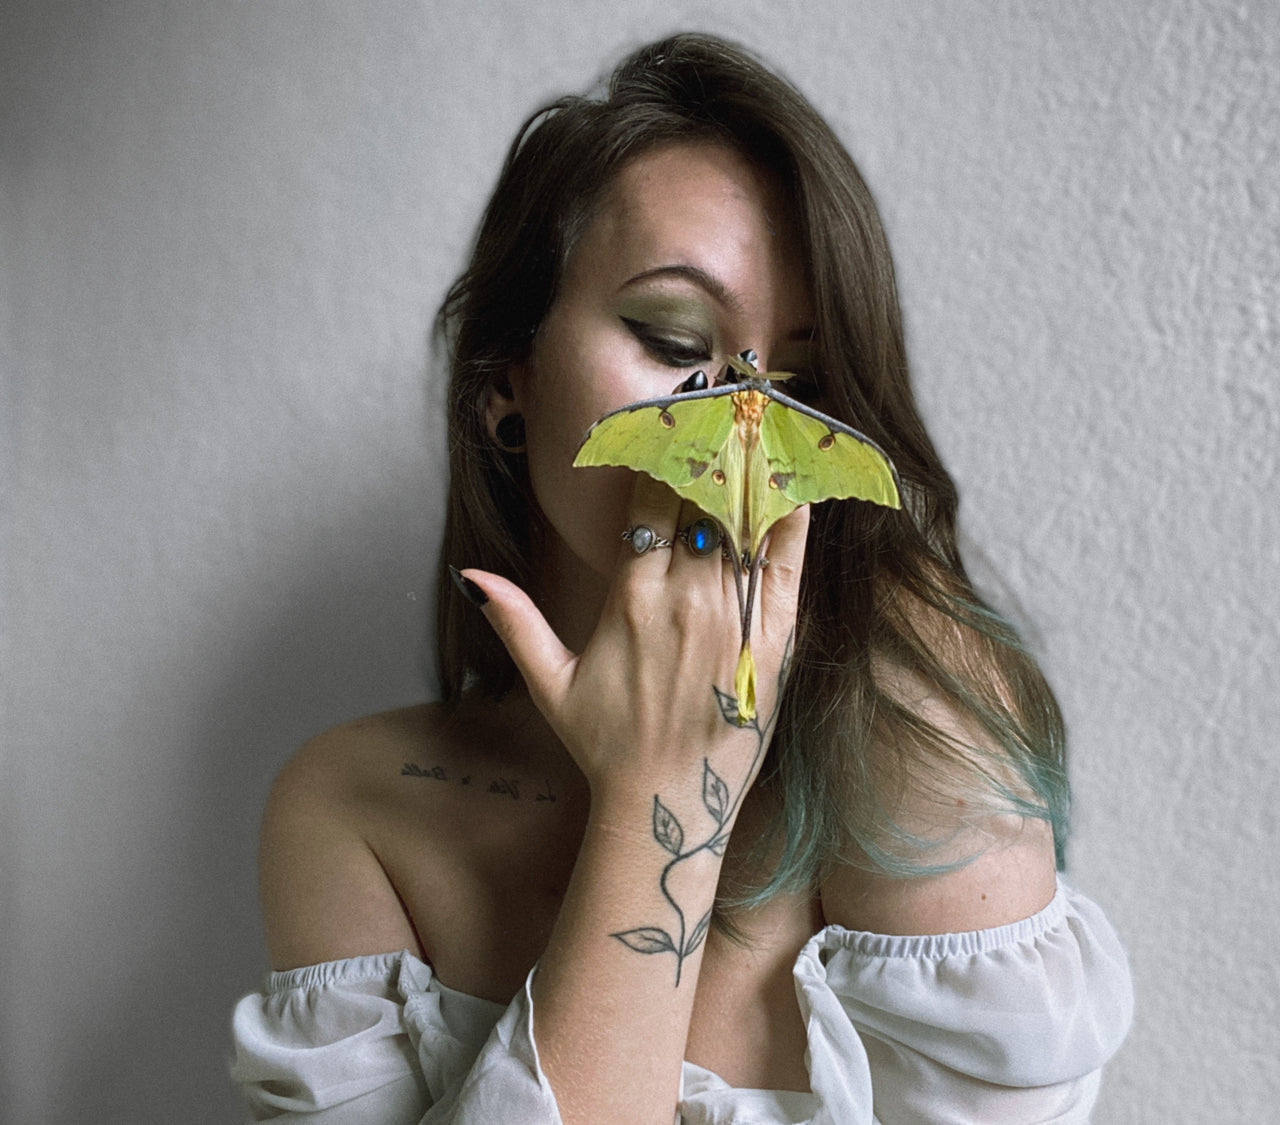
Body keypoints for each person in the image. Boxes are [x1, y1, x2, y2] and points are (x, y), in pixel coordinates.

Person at [231, 32, 1132, 1124]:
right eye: (671, 339)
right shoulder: (357, 804)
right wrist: (658, 795)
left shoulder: (915, 721)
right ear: (509, 377)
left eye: (796, 380)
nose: (731, 414)